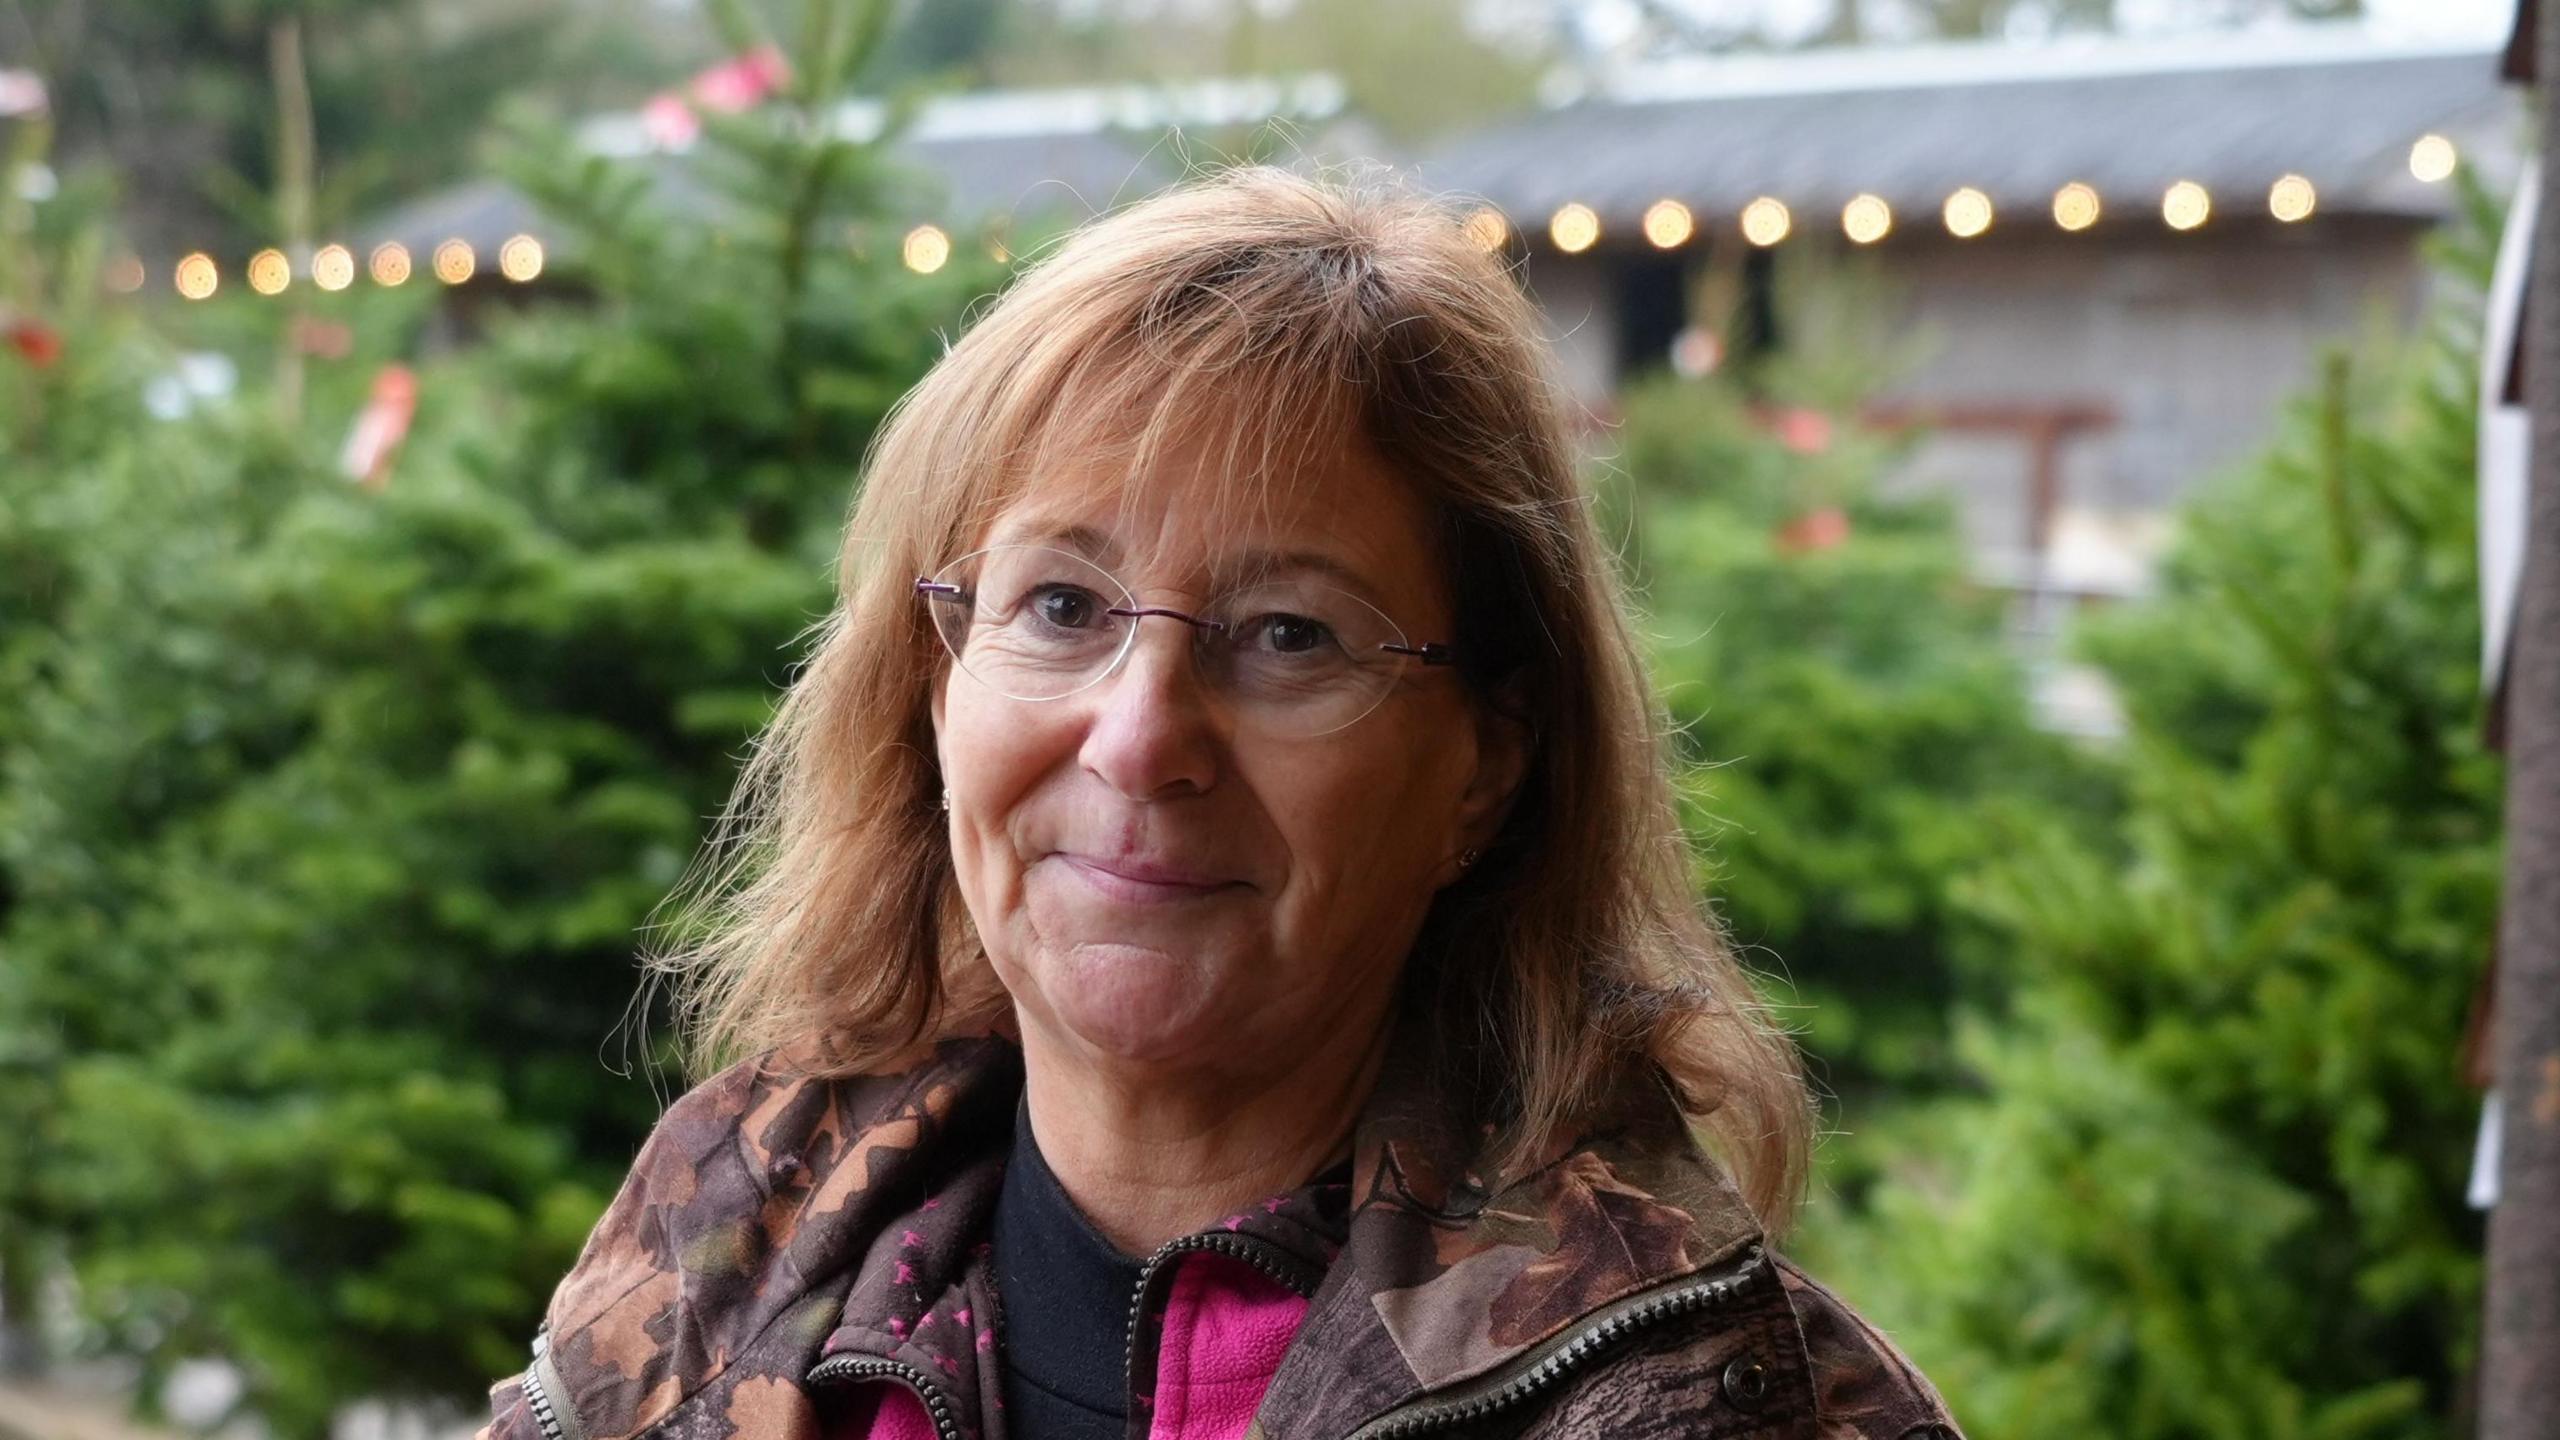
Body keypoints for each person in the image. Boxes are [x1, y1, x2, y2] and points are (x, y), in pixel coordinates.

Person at [476, 163, 1963, 1440]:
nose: (1139, 741)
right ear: (933, 689)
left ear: (1486, 765)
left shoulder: (1727, 1396)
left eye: (1289, 635)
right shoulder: (717, 1255)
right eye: (1059, 603)